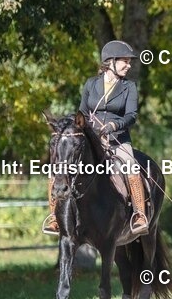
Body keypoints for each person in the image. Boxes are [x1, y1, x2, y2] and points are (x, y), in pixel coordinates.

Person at [44, 40, 147, 235]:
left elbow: (131, 116)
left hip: (118, 139)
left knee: (130, 164)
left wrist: (114, 126)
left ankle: (139, 214)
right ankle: (53, 217)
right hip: (93, 138)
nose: (129, 65)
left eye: (129, 61)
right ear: (111, 62)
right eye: (125, 61)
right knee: (59, 167)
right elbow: (82, 112)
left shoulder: (129, 87)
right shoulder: (91, 84)